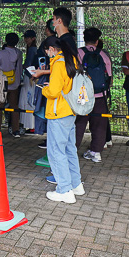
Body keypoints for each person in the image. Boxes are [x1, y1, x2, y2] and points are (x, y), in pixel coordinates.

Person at [40, 35, 85, 203]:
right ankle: (76, 185)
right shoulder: (72, 60)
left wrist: (44, 90)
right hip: (70, 111)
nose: (47, 54)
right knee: (69, 149)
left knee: (56, 151)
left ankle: (64, 190)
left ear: (52, 49)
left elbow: (53, 92)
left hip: (58, 112)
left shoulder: (58, 64)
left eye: (47, 51)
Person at [75, 27, 112, 162]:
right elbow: (109, 77)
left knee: (79, 123)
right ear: (97, 41)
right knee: (99, 123)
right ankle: (95, 152)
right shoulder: (103, 55)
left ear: (84, 39)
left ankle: (73, 149)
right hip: (100, 94)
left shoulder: (78, 53)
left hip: (82, 95)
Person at [0, 32, 23, 137]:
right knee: (14, 106)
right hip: (14, 83)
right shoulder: (19, 53)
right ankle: (15, 130)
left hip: (2, 83)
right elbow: (20, 68)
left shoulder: (0, 54)